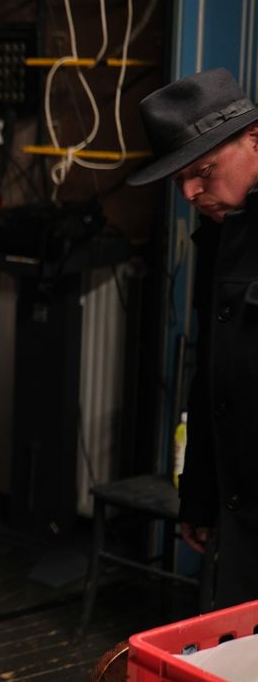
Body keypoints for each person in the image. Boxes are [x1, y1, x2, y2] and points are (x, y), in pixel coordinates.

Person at [126, 67, 258, 608]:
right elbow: (213, 380)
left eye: (202, 170)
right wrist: (200, 494)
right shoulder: (221, 239)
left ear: (255, 139)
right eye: (178, 179)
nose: (188, 192)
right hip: (239, 516)